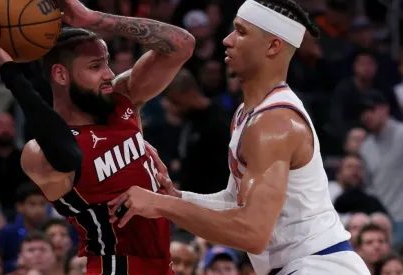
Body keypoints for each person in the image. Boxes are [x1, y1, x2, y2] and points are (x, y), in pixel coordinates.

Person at [107, 0, 371, 274]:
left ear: (273, 46)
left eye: (241, 32)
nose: (227, 40)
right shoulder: (248, 114)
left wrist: (162, 204)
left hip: (320, 265)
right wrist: (178, 197)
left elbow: (252, 233)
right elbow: (235, 203)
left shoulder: (274, 123)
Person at [0, 0, 195, 274]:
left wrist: (93, 19)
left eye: (107, 63)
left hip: (162, 265)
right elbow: (68, 154)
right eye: (95, 66)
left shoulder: (121, 100)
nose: (109, 74)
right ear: (61, 75)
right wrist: (9, 71)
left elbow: (182, 44)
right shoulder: (38, 154)